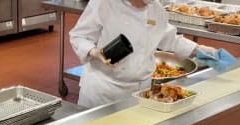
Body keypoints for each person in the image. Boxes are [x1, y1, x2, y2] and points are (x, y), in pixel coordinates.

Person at [69, 0, 218, 108]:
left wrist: (199, 50)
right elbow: (79, 36)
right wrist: (94, 52)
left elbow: (168, 37)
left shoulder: (155, 8)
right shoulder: (104, 3)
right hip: (104, 90)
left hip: (141, 90)